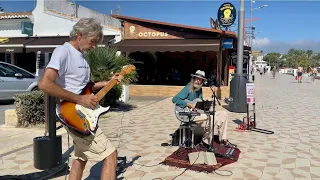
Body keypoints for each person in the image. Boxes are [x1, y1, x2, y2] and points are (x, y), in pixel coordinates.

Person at [38, 18, 123, 180]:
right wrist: (79, 99)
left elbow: (86, 87)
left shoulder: (82, 57)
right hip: (73, 114)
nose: (94, 46)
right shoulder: (63, 51)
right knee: (111, 155)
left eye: (96, 43)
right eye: (92, 41)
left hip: (82, 113)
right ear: (79, 35)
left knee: (79, 159)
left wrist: (109, 82)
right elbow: (44, 83)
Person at [172, 70, 236, 148]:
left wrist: (208, 103)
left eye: (200, 79)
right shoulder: (188, 88)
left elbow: (200, 103)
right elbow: (175, 99)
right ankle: (206, 141)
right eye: (197, 78)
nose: (198, 81)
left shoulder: (200, 89)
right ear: (194, 78)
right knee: (211, 117)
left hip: (197, 112)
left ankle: (223, 140)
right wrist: (188, 104)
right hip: (187, 114)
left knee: (223, 114)